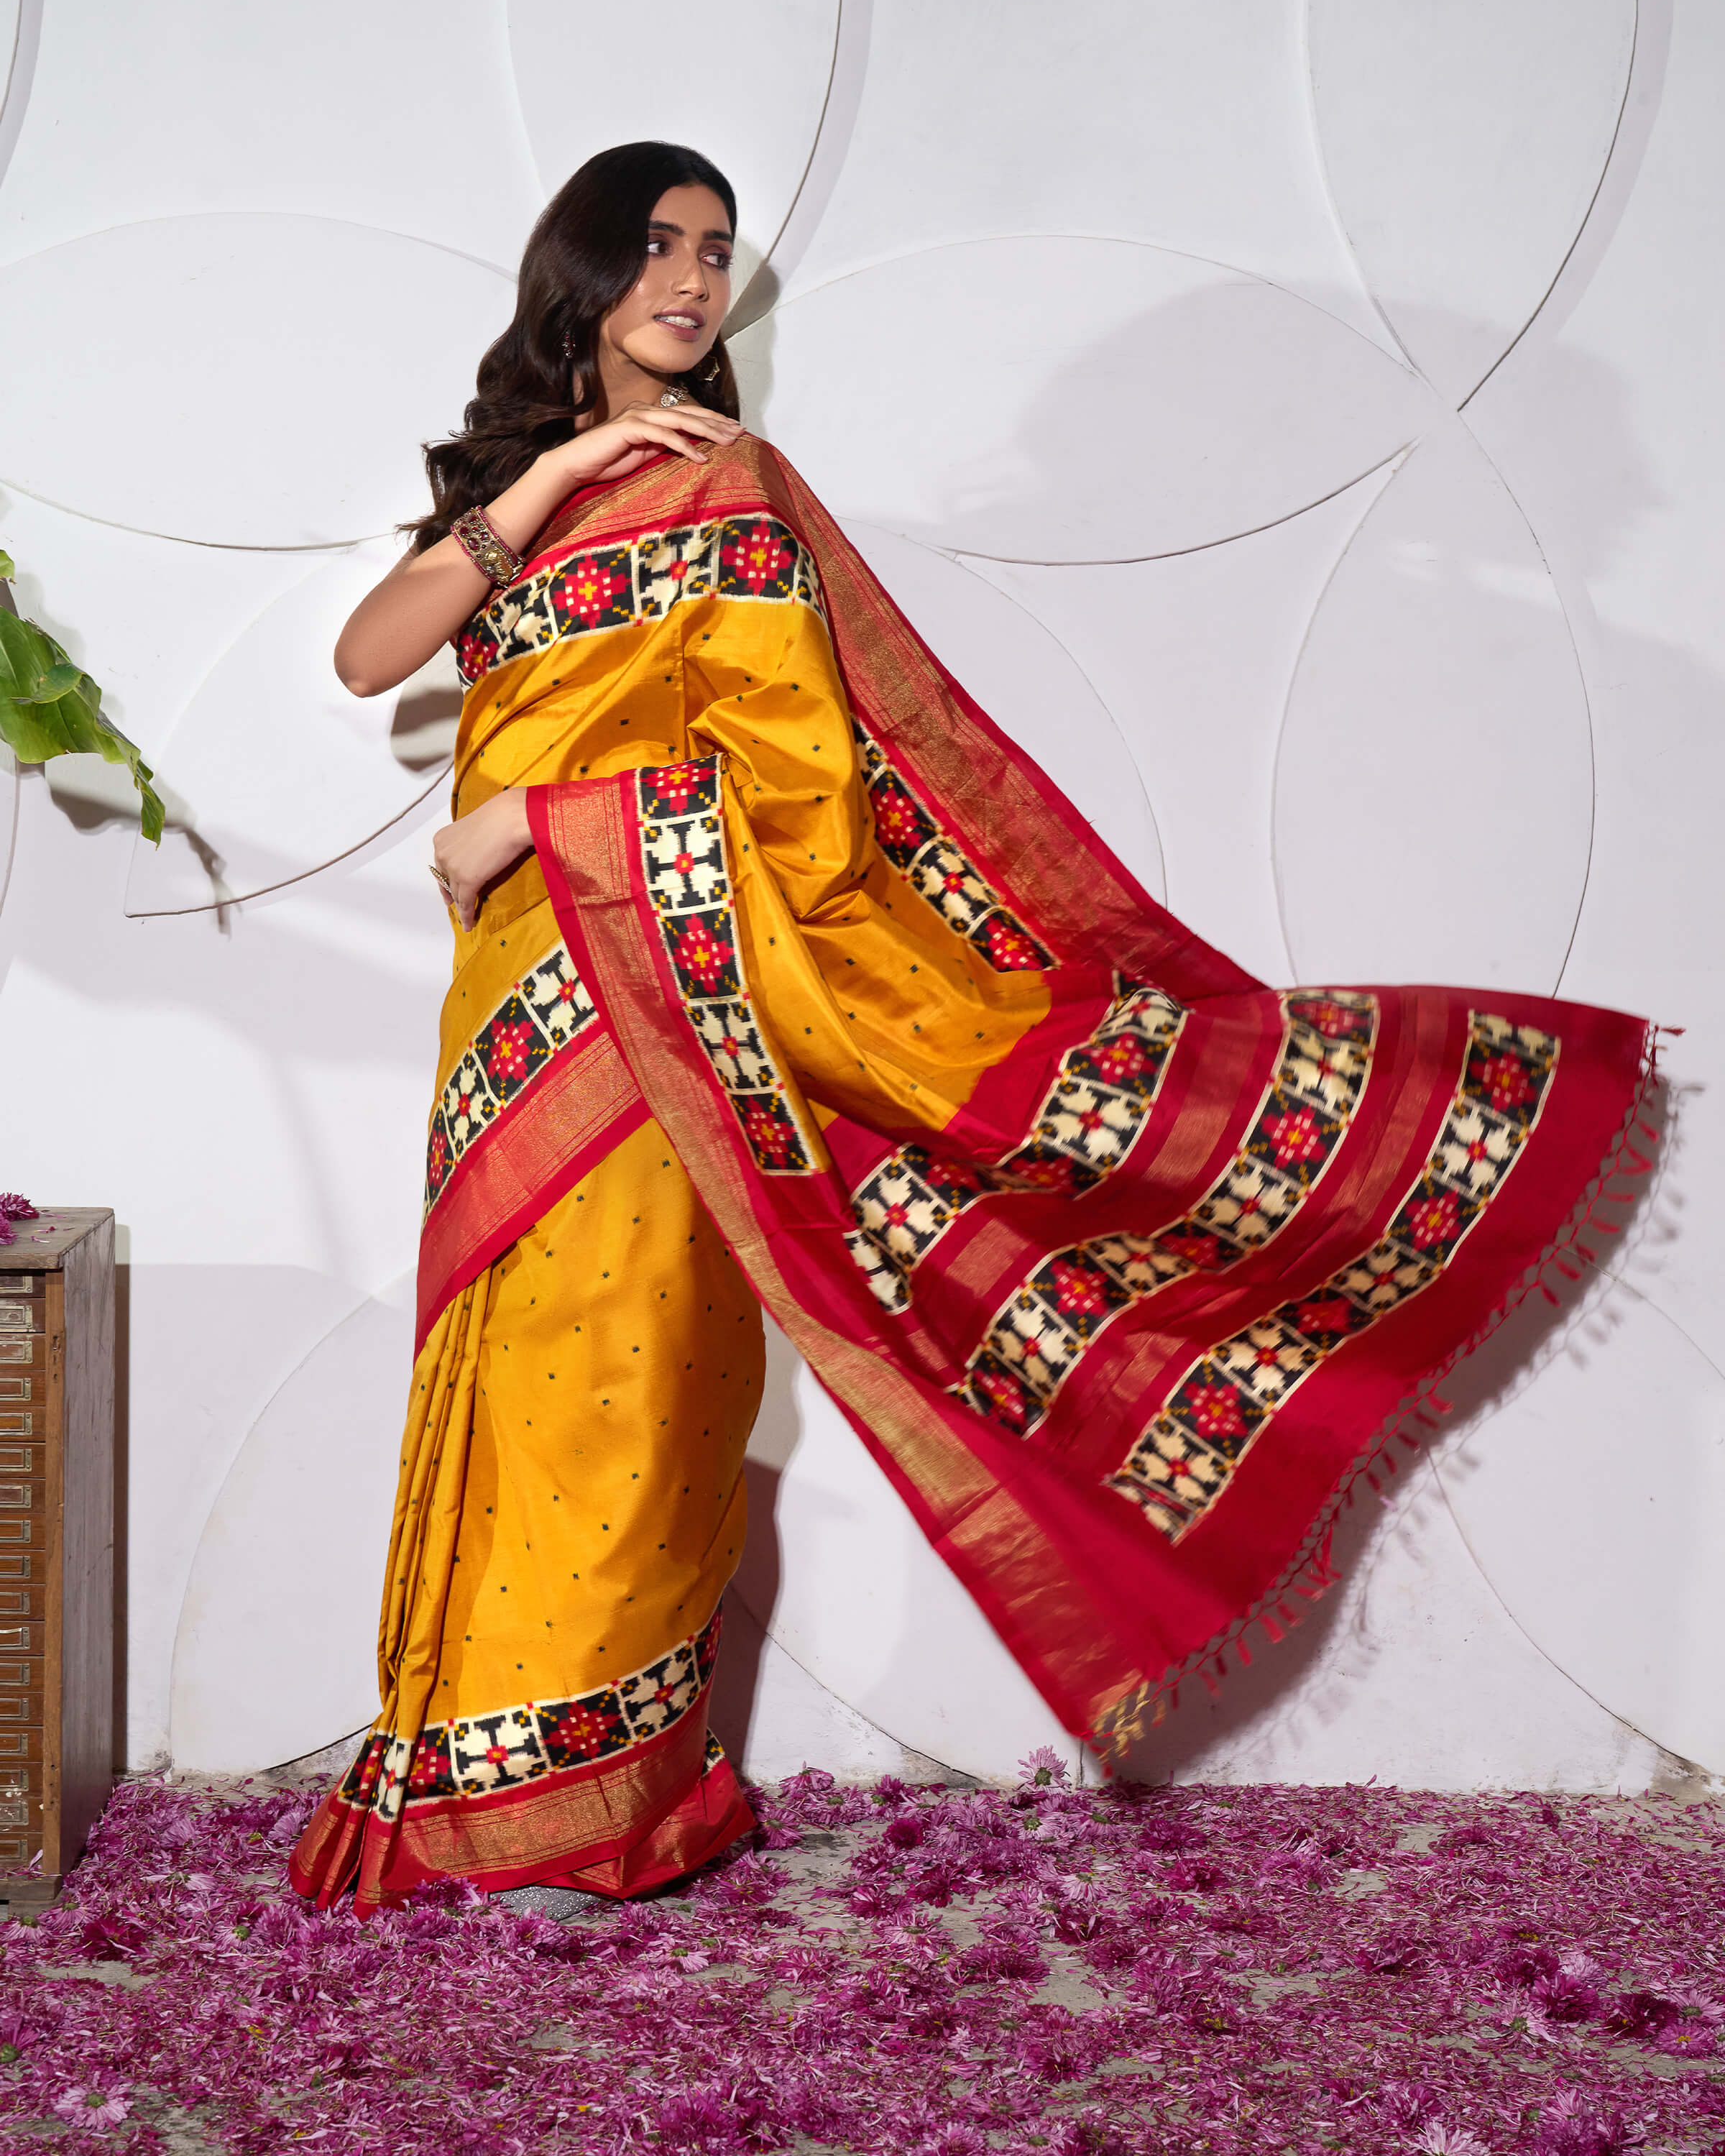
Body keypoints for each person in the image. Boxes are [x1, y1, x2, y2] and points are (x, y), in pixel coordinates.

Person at [290, 141, 1655, 1919]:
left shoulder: (739, 494)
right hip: (513, 1012)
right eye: (659, 249)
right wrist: (548, 475)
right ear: (583, 275)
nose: (694, 284)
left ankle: (583, 1810)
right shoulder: (546, 490)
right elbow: (365, 653)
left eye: (716, 254)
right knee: (508, 1360)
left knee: (626, 1386)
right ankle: (480, 1784)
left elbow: (805, 800)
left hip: (659, 996)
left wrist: (536, 825)